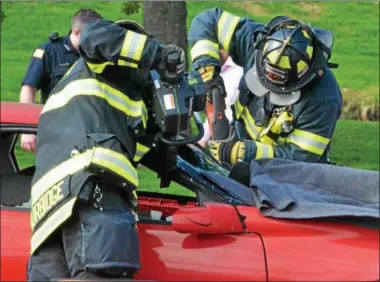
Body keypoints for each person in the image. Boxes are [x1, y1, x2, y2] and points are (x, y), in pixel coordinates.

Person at [27, 18, 185, 281]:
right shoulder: (102, 61)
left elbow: (139, 151)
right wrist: (158, 54)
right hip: (92, 192)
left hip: (49, 213)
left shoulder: (83, 94)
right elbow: (94, 35)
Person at [188, 8, 342, 166]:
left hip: (282, 180)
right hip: (237, 141)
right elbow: (208, 21)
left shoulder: (324, 100)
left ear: (302, 75)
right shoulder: (254, 41)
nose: (270, 84)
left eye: (277, 78)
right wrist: (207, 69)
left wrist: (245, 153)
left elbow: (300, 159)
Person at [20, 9, 102, 153]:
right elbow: (29, 88)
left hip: (88, 132)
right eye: (90, 36)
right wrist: (27, 130)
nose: (94, 41)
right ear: (76, 32)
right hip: (55, 130)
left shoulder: (97, 53)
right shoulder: (50, 51)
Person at [198, 49, 243, 147]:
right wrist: (203, 139)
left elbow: (223, 109)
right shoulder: (210, 74)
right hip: (221, 135)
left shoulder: (239, 70)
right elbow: (213, 110)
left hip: (237, 135)